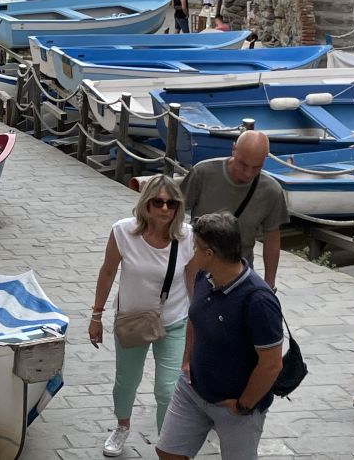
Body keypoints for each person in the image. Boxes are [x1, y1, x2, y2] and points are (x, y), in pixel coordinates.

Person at [156, 212, 283, 460]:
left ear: (209, 253)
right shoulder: (205, 276)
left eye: (195, 247)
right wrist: (186, 362)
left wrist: (243, 405)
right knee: (168, 452)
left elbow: (271, 364)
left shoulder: (258, 300)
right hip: (193, 390)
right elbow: (195, 318)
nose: (192, 252)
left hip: (235, 405)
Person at [89, 176, 196, 457]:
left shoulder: (187, 236)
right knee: (126, 380)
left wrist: (199, 324)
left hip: (173, 320)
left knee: (168, 389)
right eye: (158, 202)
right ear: (146, 203)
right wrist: (96, 315)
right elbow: (108, 272)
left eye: (172, 203)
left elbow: (193, 282)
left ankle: (168, 444)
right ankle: (122, 426)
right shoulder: (123, 232)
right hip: (132, 320)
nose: (165, 208)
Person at [181, 130, 288, 291]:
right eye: (243, 164)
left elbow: (272, 238)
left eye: (256, 167)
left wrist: (269, 284)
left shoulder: (271, 191)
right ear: (233, 149)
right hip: (198, 271)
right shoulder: (203, 172)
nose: (248, 173)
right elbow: (175, 212)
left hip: (239, 277)